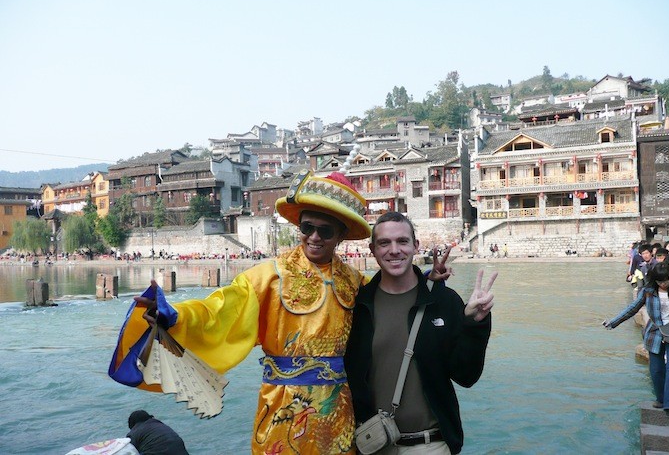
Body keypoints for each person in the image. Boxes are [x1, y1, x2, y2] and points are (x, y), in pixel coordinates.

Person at [109, 170, 448, 454]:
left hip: (341, 412)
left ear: (342, 235)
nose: (313, 237)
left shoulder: (355, 283)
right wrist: (175, 315)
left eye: (324, 231)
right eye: (306, 227)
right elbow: (218, 310)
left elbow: (394, 294)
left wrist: (427, 280)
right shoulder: (269, 277)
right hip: (282, 410)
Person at [345, 212, 497, 454]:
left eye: (402, 241)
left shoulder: (443, 301)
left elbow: (466, 376)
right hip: (372, 444)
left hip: (431, 445)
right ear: (373, 249)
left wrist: (475, 325)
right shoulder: (358, 305)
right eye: (385, 243)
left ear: (416, 246)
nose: (394, 250)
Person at [603, 262, 669, 416]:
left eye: (666, 280)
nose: (663, 284)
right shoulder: (647, 291)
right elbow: (632, 309)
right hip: (655, 333)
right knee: (656, 370)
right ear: (654, 280)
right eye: (660, 281)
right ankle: (662, 399)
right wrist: (613, 322)